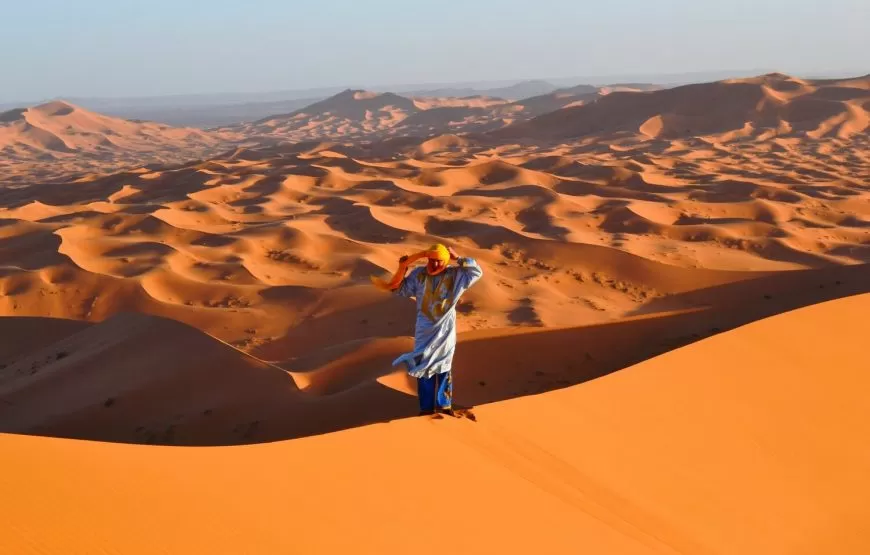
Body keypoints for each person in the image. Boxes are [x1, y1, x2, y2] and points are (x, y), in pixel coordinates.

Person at [383, 243, 483, 415]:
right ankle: (426, 409)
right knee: (424, 366)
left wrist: (458, 258)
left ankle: (444, 405)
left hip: (445, 329)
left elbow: (476, 272)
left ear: (445, 261)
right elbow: (396, 288)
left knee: (444, 365)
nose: (434, 264)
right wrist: (403, 268)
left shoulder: (456, 275)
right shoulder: (419, 275)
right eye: (431, 260)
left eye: (439, 261)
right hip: (424, 329)